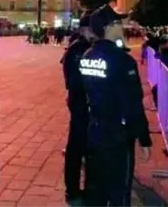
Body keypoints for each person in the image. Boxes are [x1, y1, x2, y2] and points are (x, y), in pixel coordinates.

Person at [79, 5, 152, 207]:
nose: (122, 26)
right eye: (118, 22)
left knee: (95, 190)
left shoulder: (87, 56)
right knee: (119, 192)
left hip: (94, 130)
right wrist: (144, 139)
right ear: (108, 27)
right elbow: (133, 104)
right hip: (118, 136)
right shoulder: (123, 61)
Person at [61, 11, 94, 206]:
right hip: (82, 105)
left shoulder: (85, 48)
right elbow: (75, 82)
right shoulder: (78, 50)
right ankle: (73, 191)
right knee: (77, 148)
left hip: (83, 104)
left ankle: (82, 190)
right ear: (83, 29)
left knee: (83, 148)